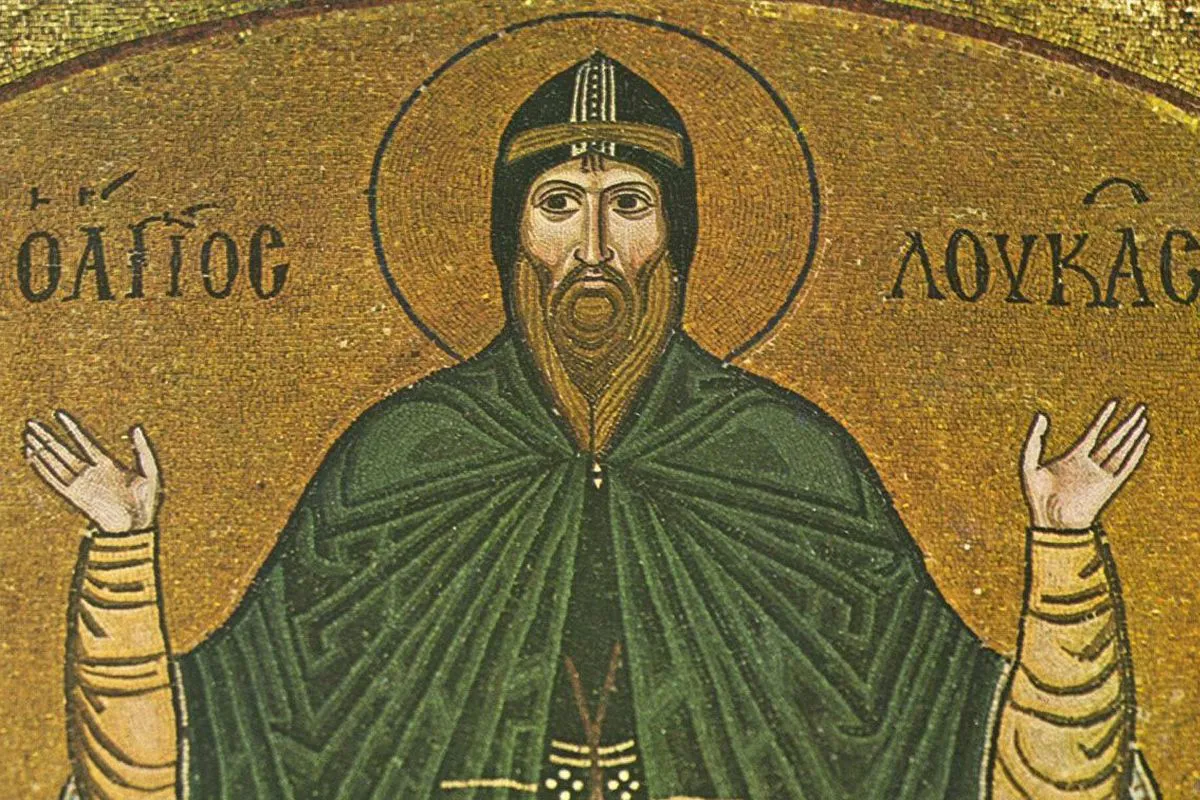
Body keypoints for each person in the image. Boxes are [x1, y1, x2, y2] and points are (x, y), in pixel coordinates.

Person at [27, 53, 1157, 800]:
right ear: (510, 233)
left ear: (678, 234)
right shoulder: (405, 454)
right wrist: (123, 552)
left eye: (630, 205)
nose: (596, 250)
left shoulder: (787, 457)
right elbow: (210, 752)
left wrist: (1063, 550)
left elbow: (980, 758)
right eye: (559, 205)